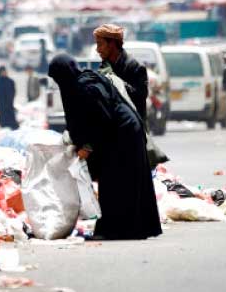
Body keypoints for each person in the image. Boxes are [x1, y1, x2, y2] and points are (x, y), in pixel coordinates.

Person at [48, 54, 162, 240]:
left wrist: (89, 146)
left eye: (58, 78)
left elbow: (102, 120)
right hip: (122, 131)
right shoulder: (83, 81)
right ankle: (128, 228)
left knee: (114, 181)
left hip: (122, 132)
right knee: (122, 181)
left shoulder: (85, 88)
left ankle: (115, 229)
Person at [95, 24, 149, 122]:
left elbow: (139, 97)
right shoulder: (104, 67)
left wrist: (114, 80)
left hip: (133, 129)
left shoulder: (136, 67)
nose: (98, 49)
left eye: (100, 44)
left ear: (111, 44)